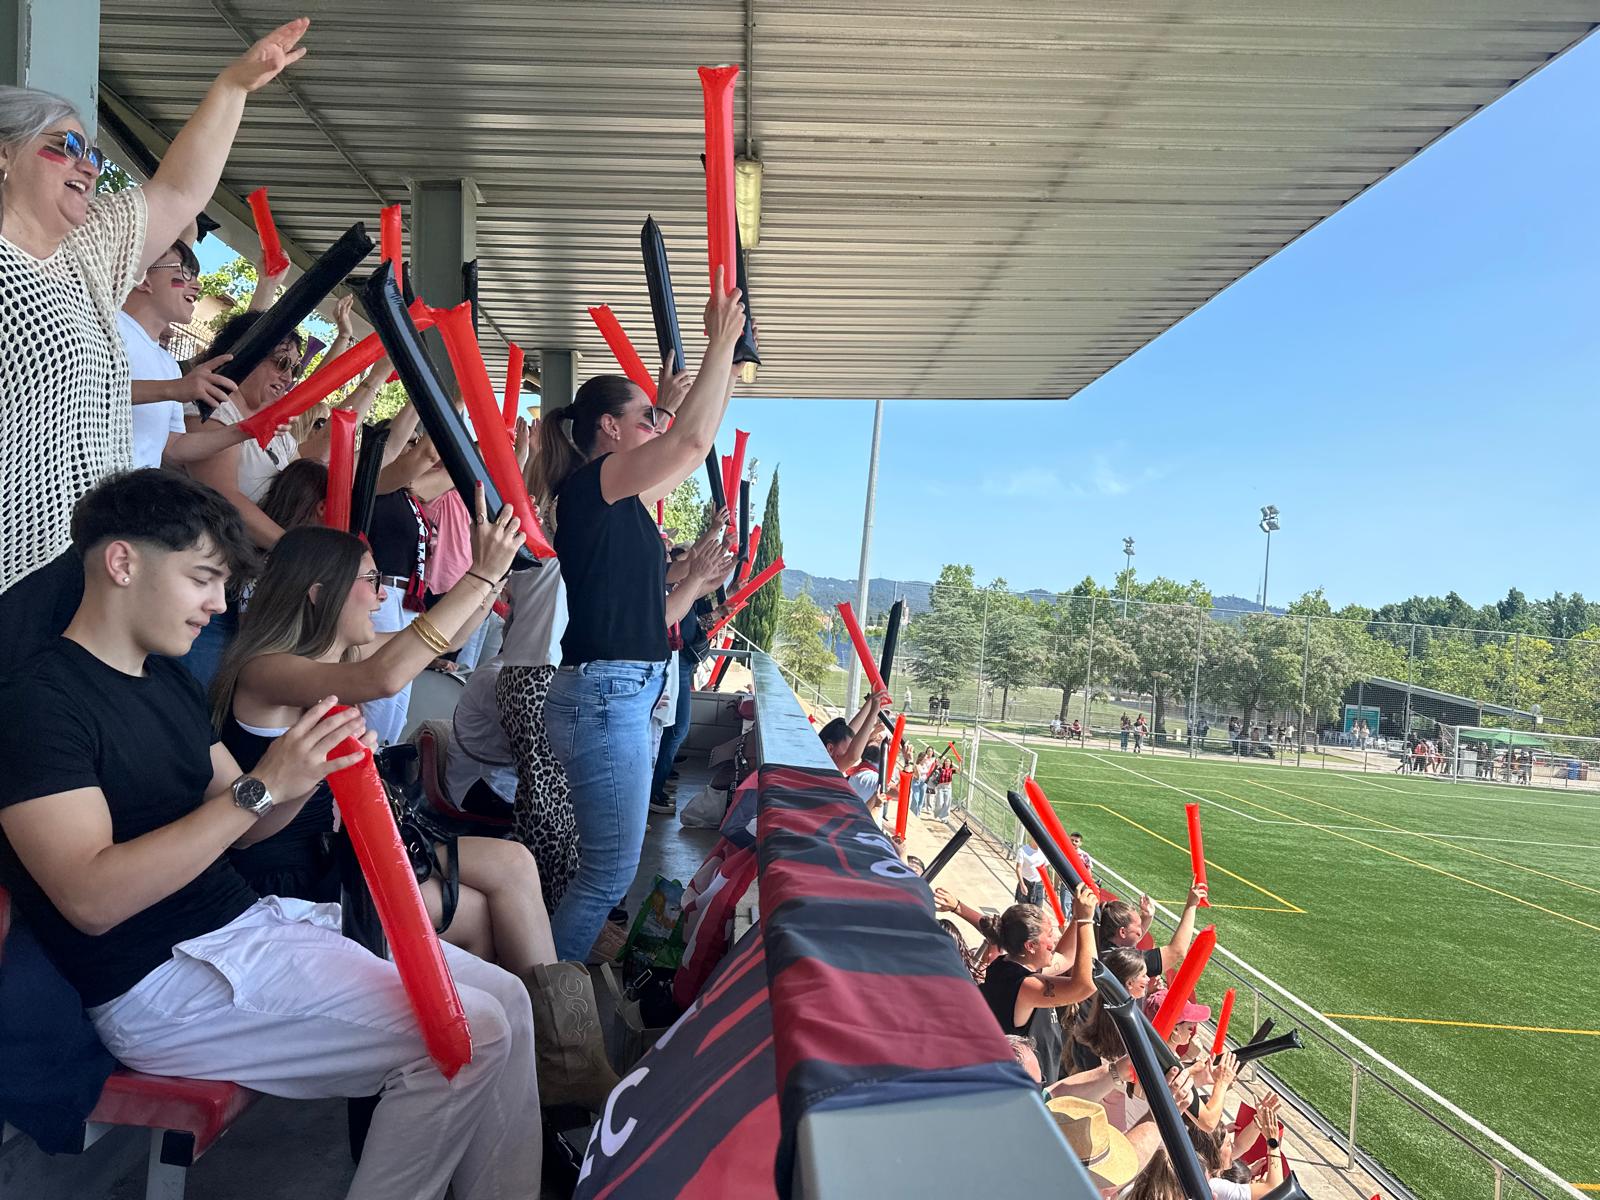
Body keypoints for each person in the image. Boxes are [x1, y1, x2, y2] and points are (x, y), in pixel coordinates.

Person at [0, 469, 541, 1198]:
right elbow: (91, 897)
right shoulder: (39, 703)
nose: (219, 606)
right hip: (159, 981)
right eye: (202, 580)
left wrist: (305, 771)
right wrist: (262, 789)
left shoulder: (166, 685)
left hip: (245, 931)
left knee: (506, 1001)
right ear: (122, 563)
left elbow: (247, 828)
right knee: (470, 1036)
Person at [0, 19, 308, 674]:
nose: (88, 163)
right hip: (12, 569)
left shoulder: (83, 254)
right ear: (3, 156)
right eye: (64, 146)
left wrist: (233, 87)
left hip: (93, 562)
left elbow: (176, 191)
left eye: (94, 154)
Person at [208, 509, 540, 959]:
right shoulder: (263, 669)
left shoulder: (343, 655)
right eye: (371, 578)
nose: (383, 595)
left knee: (515, 863)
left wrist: (493, 573)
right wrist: (480, 574)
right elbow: (384, 677)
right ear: (320, 594)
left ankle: (540, 1024)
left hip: (338, 852)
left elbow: (447, 636)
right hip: (288, 879)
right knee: (478, 912)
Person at [529, 275, 744, 963]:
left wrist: (726, 368)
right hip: (606, 697)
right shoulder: (593, 485)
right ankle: (545, 1012)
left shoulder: (614, 498)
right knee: (607, 876)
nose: (657, 427)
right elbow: (689, 444)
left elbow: (687, 443)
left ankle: (552, 995)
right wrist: (721, 344)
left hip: (619, 689)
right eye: (645, 417)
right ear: (608, 430)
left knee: (604, 872)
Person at [118, 237, 257, 470]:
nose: (198, 285)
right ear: (143, 277)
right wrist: (173, 388)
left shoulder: (169, 364)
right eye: (184, 273)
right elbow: (84, 390)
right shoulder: (108, 326)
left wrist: (246, 429)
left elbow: (173, 447)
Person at [977, 885, 1097, 1086]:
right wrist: (1086, 921)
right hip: (1024, 1086)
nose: (1055, 940)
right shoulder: (1025, 986)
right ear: (1030, 946)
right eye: (1049, 935)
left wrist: (1077, 918)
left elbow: (1066, 958)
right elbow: (1085, 986)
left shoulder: (1009, 965)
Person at [1097, 882, 1209, 977]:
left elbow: (1128, 939)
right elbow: (1177, 951)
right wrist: (1191, 905)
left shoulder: (1103, 941)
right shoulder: (1124, 962)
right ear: (1122, 932)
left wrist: (1146, 917)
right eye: (1138, 927)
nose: (1141, 931)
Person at [1015, 835, 1047, 905]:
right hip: (1026, 882)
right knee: (1024, 911)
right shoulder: (1022, 850)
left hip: (1039, 885)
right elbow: (1018, 868)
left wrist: (1047, 885)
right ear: (1031, 837)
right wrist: (1022, 884)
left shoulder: (1044, 851)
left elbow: (1045, 868)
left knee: (1037, 911)